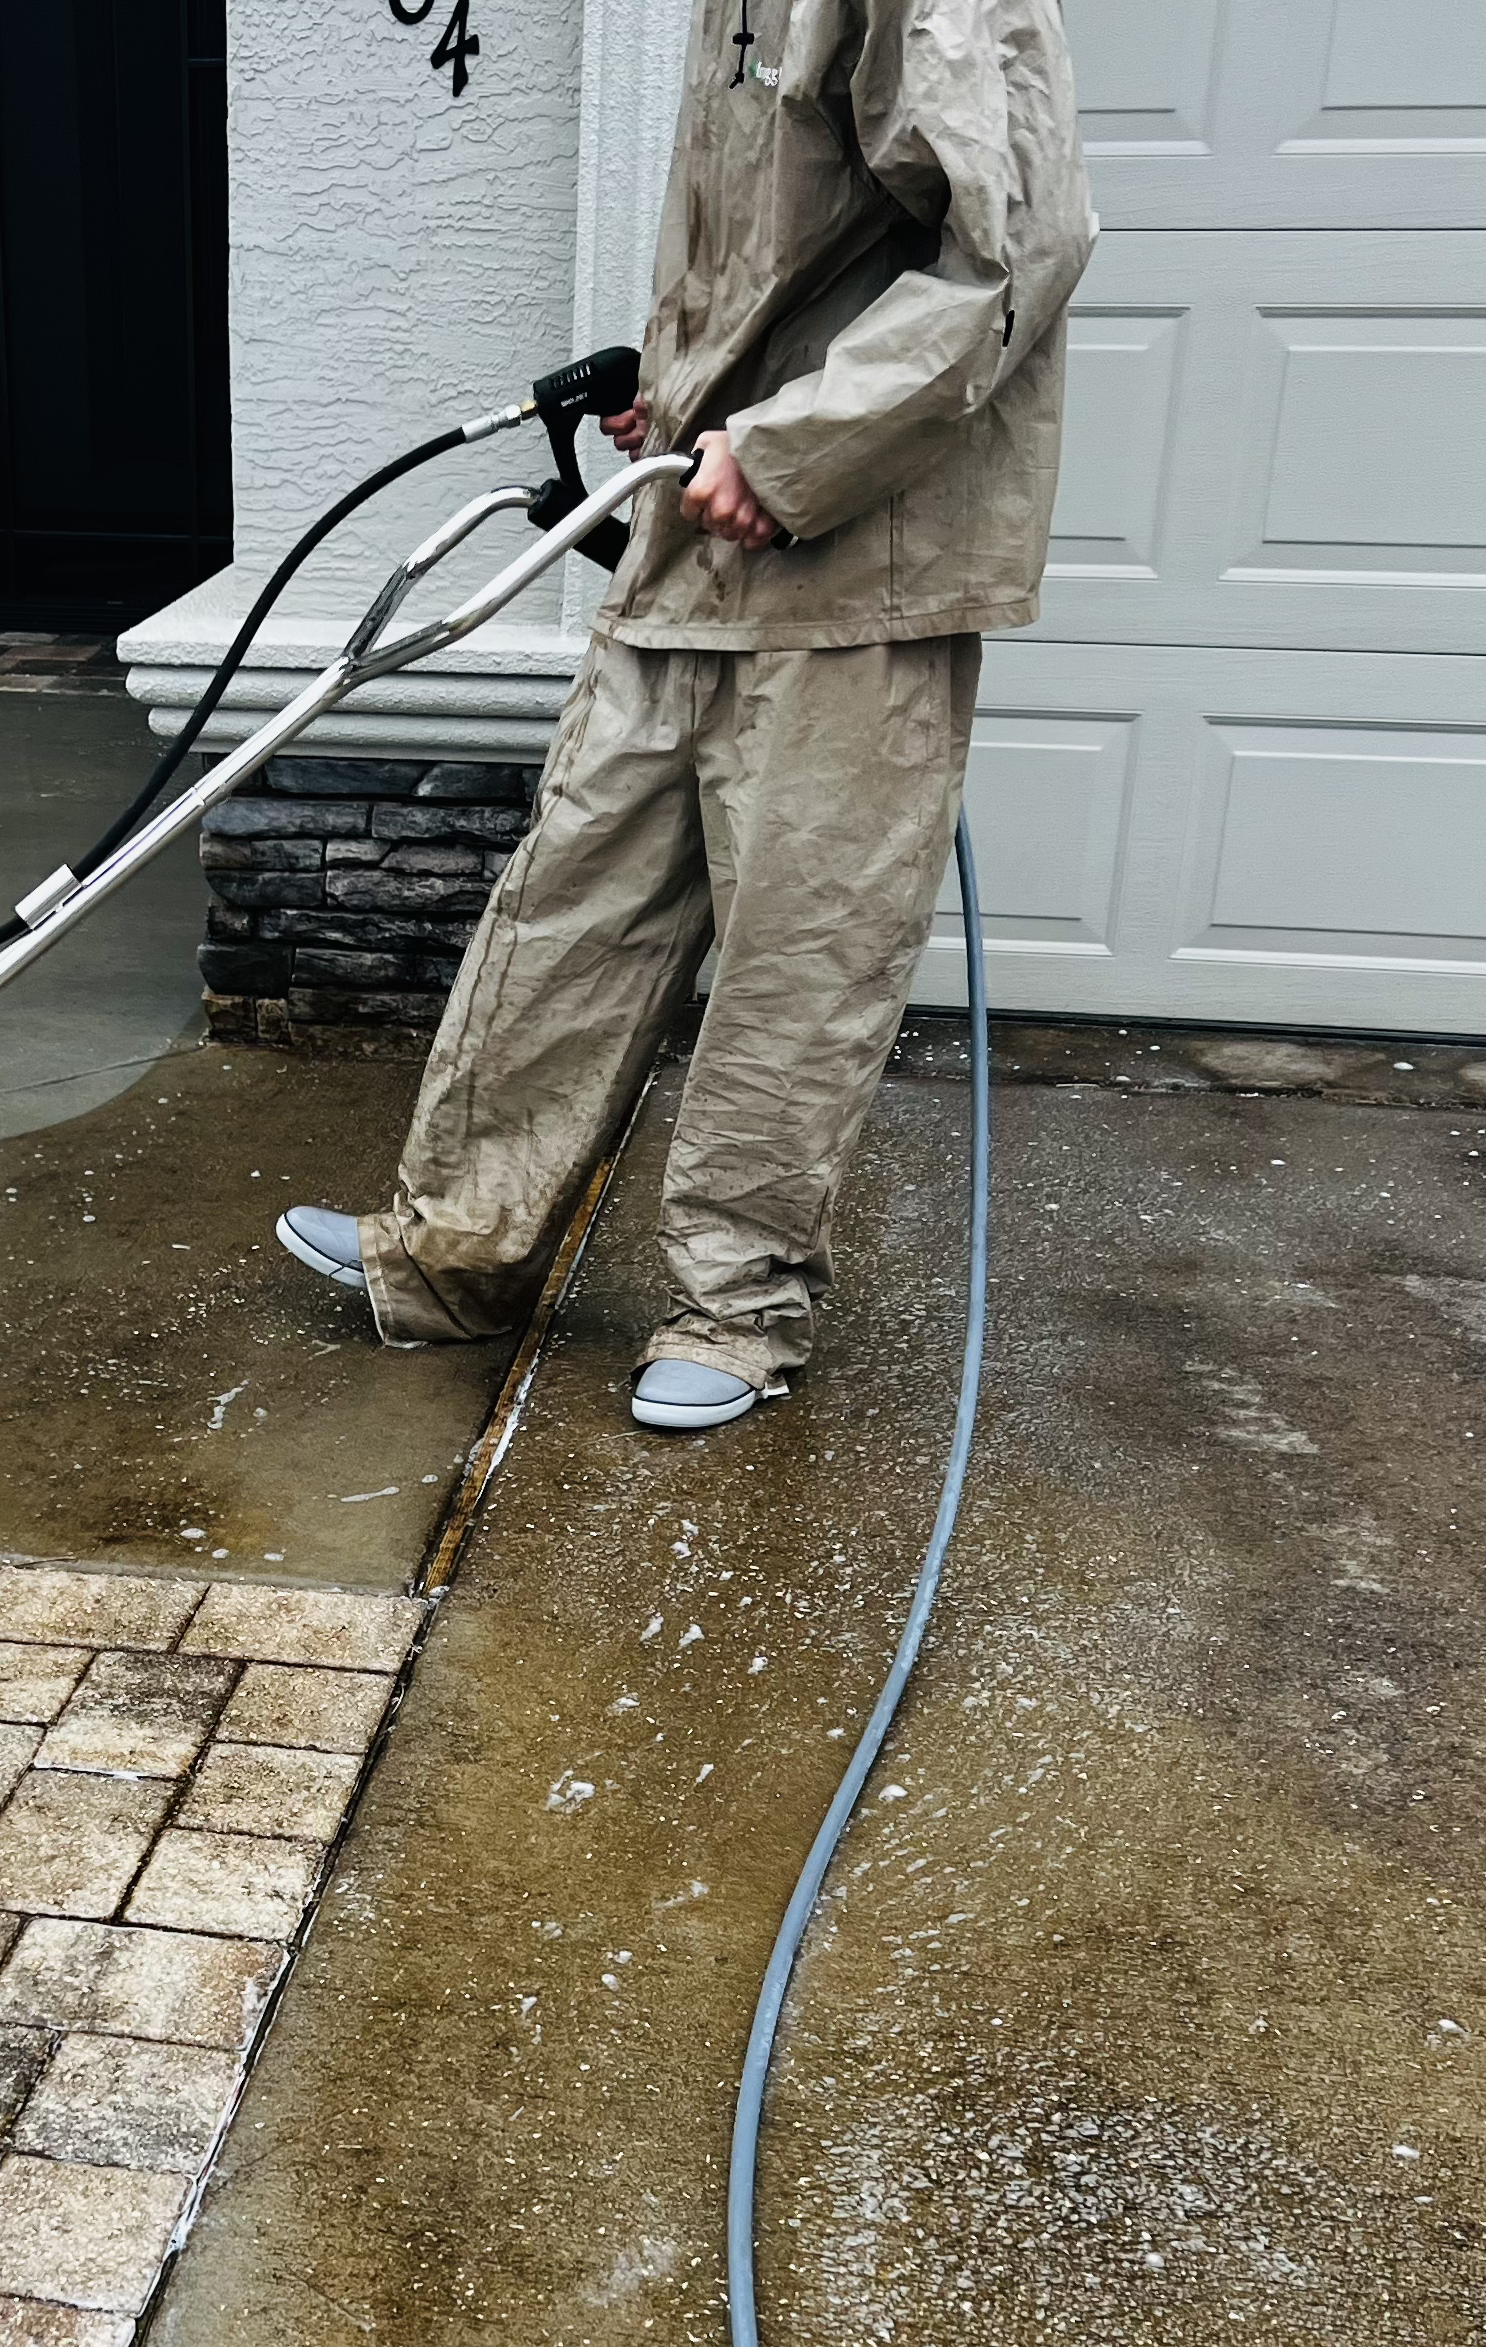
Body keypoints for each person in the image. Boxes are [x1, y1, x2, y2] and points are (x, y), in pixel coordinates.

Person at [278, 0, 1093, 1431]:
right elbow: (797, 250)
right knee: (570, 903)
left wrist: (790, 449)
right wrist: (685, 400)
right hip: (692, 555)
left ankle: (734, 1315)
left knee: (798, 957)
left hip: (857, 575)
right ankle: (452, 1254)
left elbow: (1016, 244)